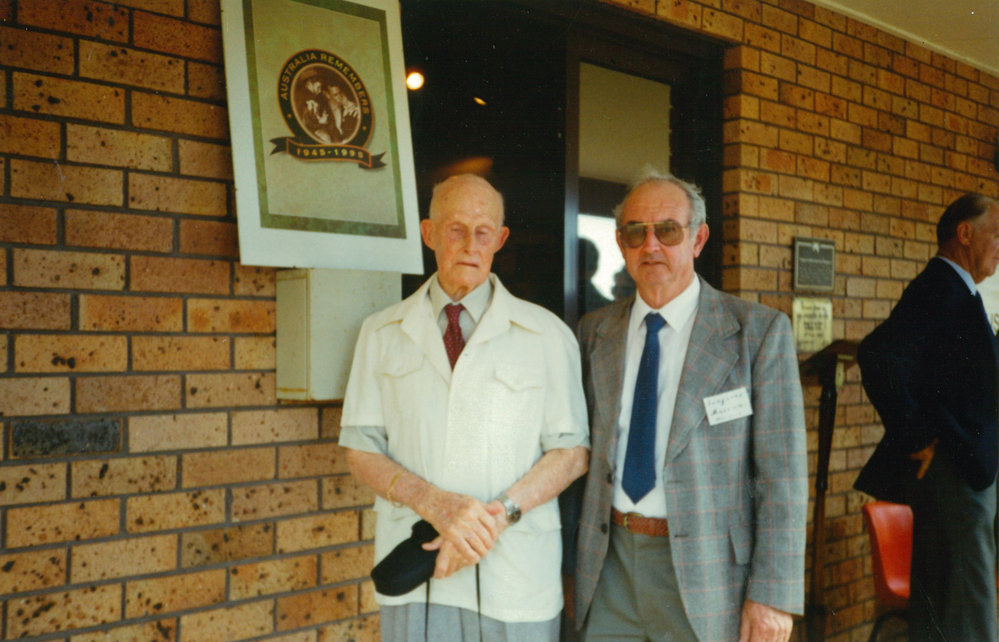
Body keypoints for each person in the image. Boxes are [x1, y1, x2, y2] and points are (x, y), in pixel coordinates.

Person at [340, 173, 589, 641]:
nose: (470, 245)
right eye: (456, 229)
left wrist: (488, 521)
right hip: (420, 573)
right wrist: (434, 504)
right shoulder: (380, 331)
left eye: (483, 232)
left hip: (513, 573)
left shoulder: (548, 333)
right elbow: (359, 449)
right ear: (429, 233)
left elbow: (572, 453)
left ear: (500, 239)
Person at [573, 170, 807, 641]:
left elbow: (783, 477)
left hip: (708, 576)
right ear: (621, 243)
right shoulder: (594, 332)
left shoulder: (757, 334)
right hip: (608, 566)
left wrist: (773, 596)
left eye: (668, 231)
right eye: (636, 232)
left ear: (698, 239)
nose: (651, 245)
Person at [855, 193, 999, 641]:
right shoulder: (940, 285)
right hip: (956, 471)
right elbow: (878, 356)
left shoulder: (958, 289)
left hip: (968, 468)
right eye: (997, 234)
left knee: (948, 597)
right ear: (965, 233)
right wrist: (917, 436)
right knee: (968, 598)